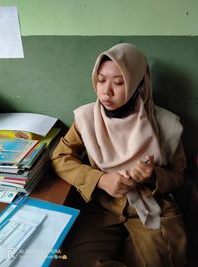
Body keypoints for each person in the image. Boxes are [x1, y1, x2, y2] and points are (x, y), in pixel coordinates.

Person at [51, 43, 188, 267]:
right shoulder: (87, 119)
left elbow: (179, 174)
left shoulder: (167, 125)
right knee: (71, 261)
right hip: (102, 209)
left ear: (137, 83)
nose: (106, 91)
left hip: (151, 209)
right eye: (101, 79)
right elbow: (59, 158)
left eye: (119, 82)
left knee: (160, 260)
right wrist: (100, 179)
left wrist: (154, 176)